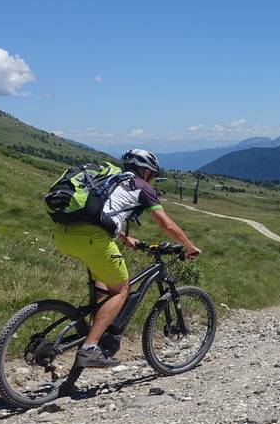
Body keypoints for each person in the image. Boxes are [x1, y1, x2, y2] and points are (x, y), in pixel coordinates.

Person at [53, 149, 201, 368]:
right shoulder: (141, 187)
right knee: (122, 289)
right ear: (144, 170)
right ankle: (89, 349)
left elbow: (99, 212)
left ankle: (100, 329)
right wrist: (189, 247)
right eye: (151, 173)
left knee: (104, 283)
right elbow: (166, 224)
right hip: (94, 240)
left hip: (63, 235)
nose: (151, 177)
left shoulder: (110, 181)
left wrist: (124, 237)